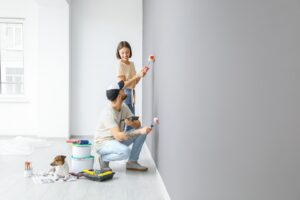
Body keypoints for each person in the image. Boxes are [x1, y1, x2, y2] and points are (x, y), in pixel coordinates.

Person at [94, 81, 152, 172]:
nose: (124, 89)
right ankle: (103, 158)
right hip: (103, 143)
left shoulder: (123, 106)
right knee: (125, 152)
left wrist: (132, 123)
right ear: (119, 95)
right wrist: (139, 131)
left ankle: (132, 162)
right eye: (122, 89)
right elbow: (119, 136)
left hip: (115, 140)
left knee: (142, 131)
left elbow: (138, 124)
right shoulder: (107, 113)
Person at [115, 41, 148, 126]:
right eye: (122, 53)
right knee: (128, 119)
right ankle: (126, 137)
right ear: (119, 53)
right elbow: (121, 84)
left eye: (127, 52)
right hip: (124, 93)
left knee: (131, 118)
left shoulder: (131, 64)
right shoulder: (120, 65)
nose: (125, 55)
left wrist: (141, 75)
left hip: (132, 93)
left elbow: (134, 82)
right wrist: (137, 76)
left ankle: (130, 137)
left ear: (130, 52)